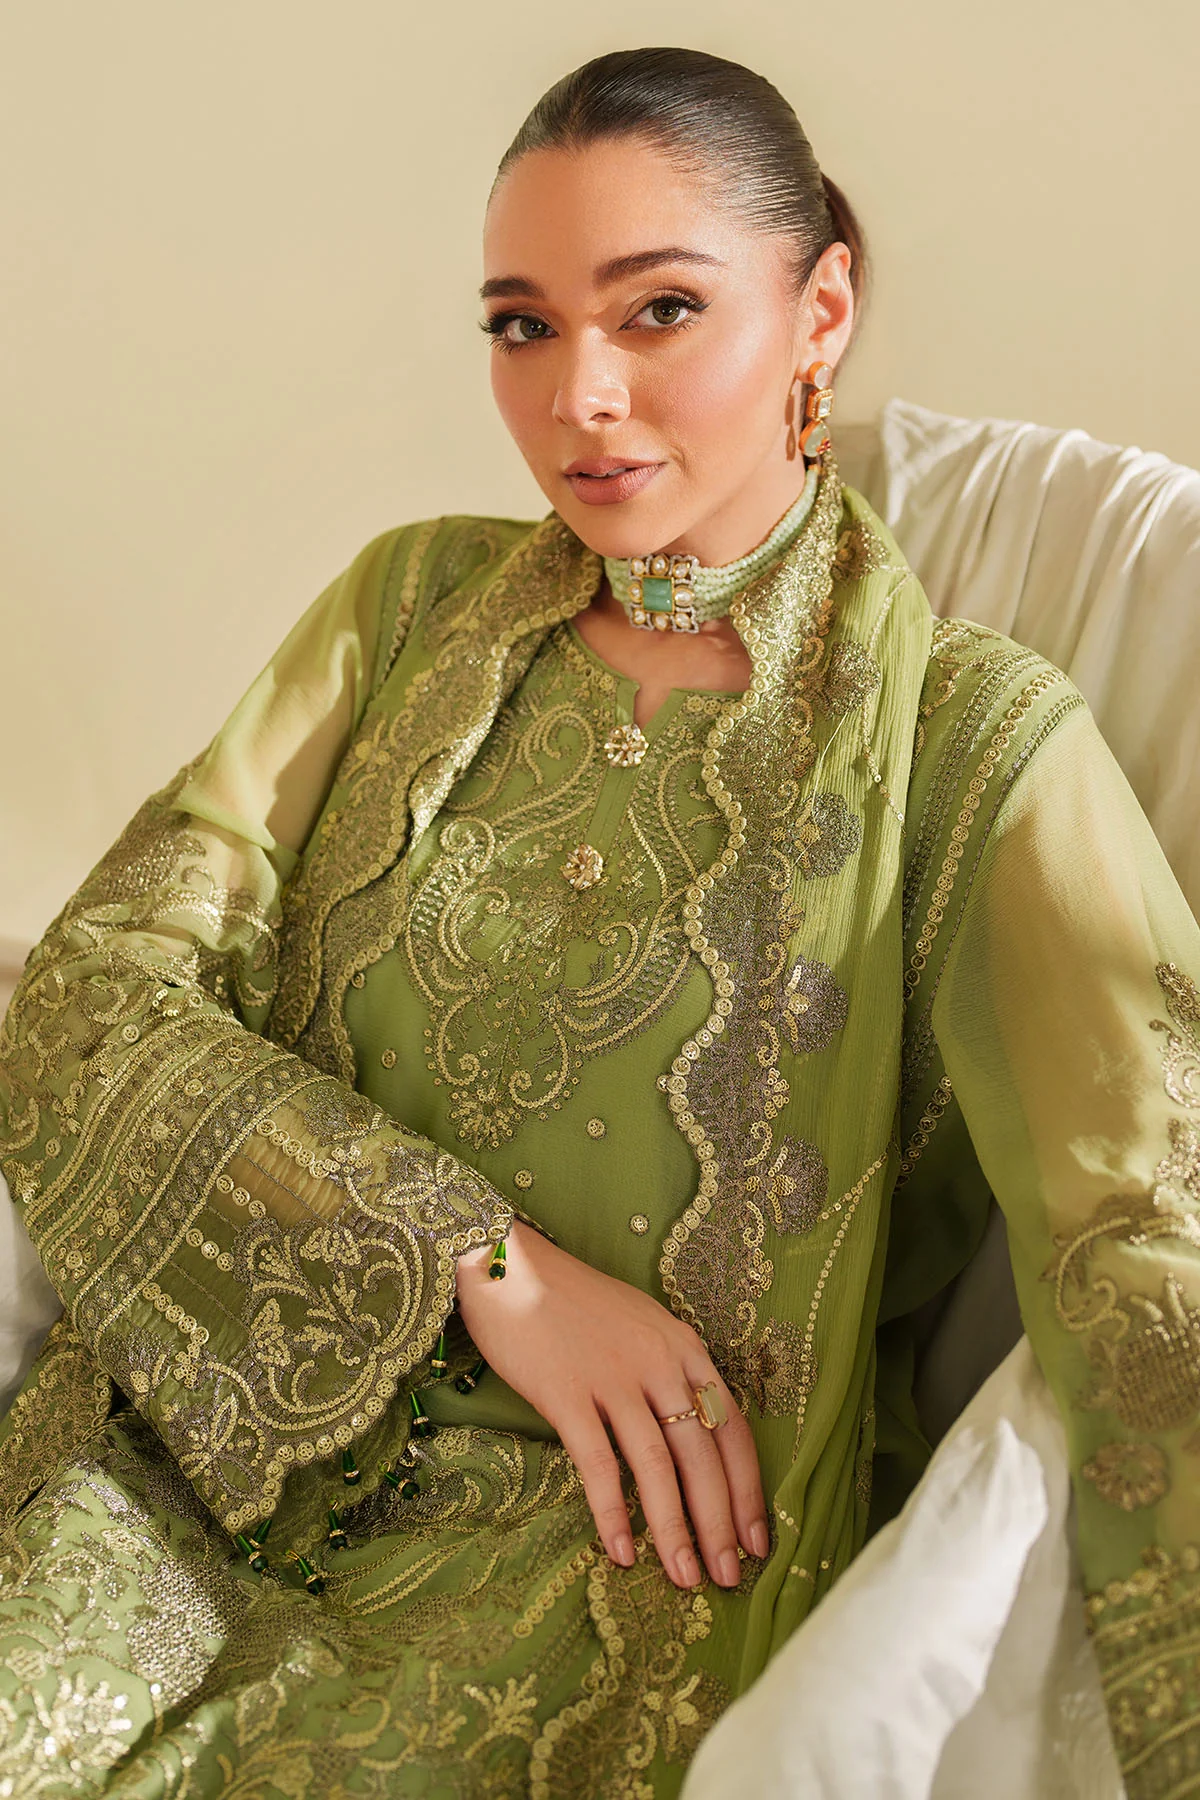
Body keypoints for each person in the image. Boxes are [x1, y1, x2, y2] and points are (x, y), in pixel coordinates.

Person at [0, 43, 1196, 1800]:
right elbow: (92, 992)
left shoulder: (971, 746)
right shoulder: (408, 609)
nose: (580, 397)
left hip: (607, 1578)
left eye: (660, 311)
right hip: (182, 1468)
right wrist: (482, 1266)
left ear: (821, 311)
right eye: (522, 326)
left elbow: (1150, 1238)